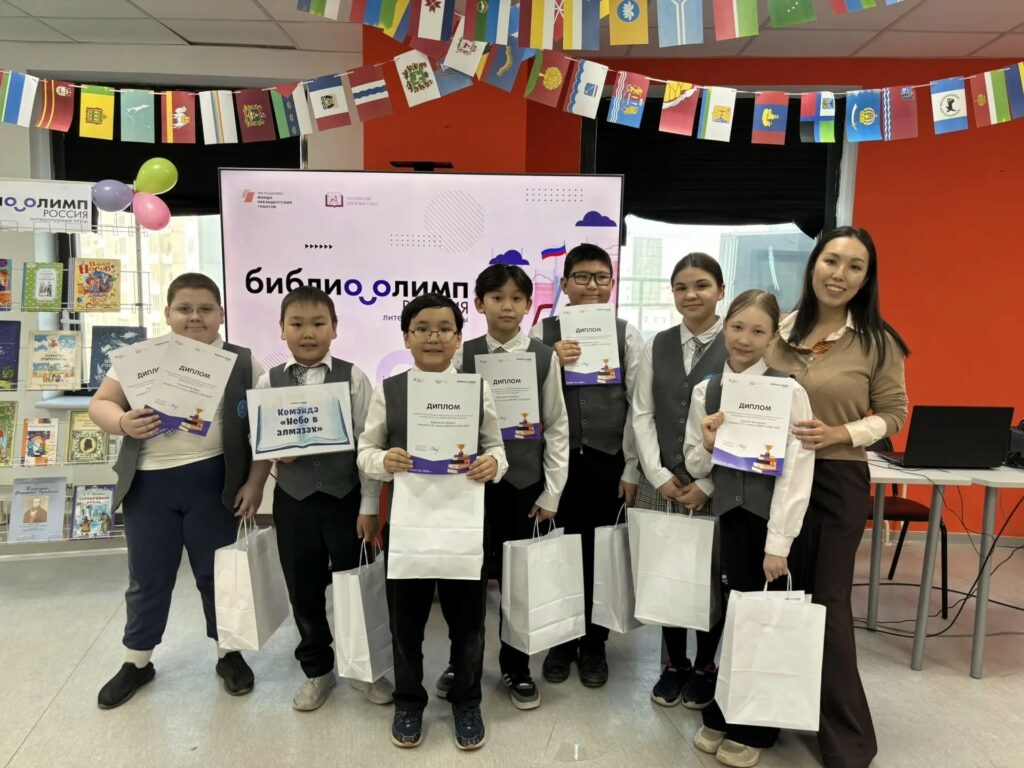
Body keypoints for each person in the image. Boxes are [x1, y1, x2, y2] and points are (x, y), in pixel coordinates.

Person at [88, 273, 267, 710]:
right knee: (149, 577)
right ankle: (137, 661)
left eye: (205, 309)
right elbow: (100, 403)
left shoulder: (245, 362)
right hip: (149, 484)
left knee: (217, 575)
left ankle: (228, 654)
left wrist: (255, 482)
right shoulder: (141, 359)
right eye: (184, 309)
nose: (195, 317)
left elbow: (265, 431)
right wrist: (122, 422)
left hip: (214, 482)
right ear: (167, 313)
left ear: (221, 314)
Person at [766, 226, 909, 768]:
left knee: (826, 603)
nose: (839, 274)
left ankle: (846, 740)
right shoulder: (778, 330)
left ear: (866, 279)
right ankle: (767, 711)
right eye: (831, 260)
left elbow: (894, 414)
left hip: (836, 479)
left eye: (855, 266)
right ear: (813, 265)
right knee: (775, 595)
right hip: (773, 478)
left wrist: (840, 433)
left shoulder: (878, 342)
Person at [357, 293, 508, 751]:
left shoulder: (476, 389)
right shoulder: (390, 390)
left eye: (444, 328)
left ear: (458, 338)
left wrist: (493, 465)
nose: (433, 337)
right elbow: (365, 451)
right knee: (406, 623)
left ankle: (467, 701)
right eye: (422, 328)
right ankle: (409, 701)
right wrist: (384, 460)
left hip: (465, 521)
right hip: (409, 522)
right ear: (406, 337)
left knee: (468, 623)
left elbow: (497, 448)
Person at [684, 289, 815, 768]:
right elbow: (696, 463)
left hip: (770, 522)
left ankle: (757, 724)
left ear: (773, 336)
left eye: (758, 331)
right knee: (735, 614)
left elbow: (797, 471)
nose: (744, 339)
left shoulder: (789, 391)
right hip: (728, 519)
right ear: (725, 327)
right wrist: (708, 441)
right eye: (737, 327)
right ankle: (726, 706)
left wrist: (779, 543)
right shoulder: (708, 391)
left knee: (763, 616)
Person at [251, 286, 391, 712]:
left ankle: (367, 670)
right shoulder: (268, 381)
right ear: (281, 330)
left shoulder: (354, 377)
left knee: (357, 585)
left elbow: (369, 444)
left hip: (345, 499)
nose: (308, 332)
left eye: (318, 323)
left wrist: (369, 506)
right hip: (293, 502)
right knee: (304, 590)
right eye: (297, 324)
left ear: (334, 329)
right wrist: (278, 450)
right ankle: (317, 669)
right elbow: (259, 436)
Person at [442, 263, 568, 711]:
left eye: (516, 298)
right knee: (467, 579)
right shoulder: (463, 355)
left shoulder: (545, 357)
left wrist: (552, 492)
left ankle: (517, 666)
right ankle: (462, 662)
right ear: (479, 304)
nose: (507, 306)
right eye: (497, 298)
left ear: (529, 304)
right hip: (472, 485)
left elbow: (557, 427)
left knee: (518, 581)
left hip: (524, 485)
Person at [529, 243, 641, 687]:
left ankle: (594, 642)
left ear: (611, 284)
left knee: (600, 553)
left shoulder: (626, 333)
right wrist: (550, 360)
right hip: (555, 464)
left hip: (606, 460)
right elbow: (524, 395)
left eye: (601, 277)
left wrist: (631, 468)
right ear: (565, 284)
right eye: (582, 277)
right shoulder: (541, 332)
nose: (591, 285)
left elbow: (638, 404)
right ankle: (561, 639)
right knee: (558, 551)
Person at [632, 252, 731, 709]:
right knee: (666, 572)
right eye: (681, 287)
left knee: (711, 575)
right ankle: (674, 663)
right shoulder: (657, 344)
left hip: (717, 485)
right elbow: (642, 413)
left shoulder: (739, 343)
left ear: (720, 291)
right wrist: (656, 475)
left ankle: (707, 665)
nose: (691, 295)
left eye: (702, 285)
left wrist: (708, 484)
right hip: (663, 481)